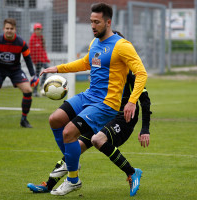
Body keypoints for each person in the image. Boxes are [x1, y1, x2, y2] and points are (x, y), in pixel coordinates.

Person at [37, 3, 148, 196]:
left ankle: (73, 180)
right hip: (88, 96)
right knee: (55, 119)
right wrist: (59, 68)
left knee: (69, 132)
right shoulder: (94, 43)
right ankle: (72, 162)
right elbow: (85, 62)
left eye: (97, 22)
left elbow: (141, 73)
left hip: (106, 103)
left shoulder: (122, 46)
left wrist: (131, 101)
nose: (93, 26)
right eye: (91, 22)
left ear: (108, 22)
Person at [27, 69, 151, 196]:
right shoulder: (103, 68)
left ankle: (131, 172)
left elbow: (145, 100)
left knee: (98, 140)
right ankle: (48, 185)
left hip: (123, 118)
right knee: (74, 146)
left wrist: (145, 129)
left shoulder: (130, 73)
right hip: (103, 113)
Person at [0, 18, 39, 128]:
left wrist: (33, 75)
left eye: (11, 28)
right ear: (3, 29)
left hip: (15, 70)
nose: (9, 30)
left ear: (15, 29)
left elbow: (28, 59)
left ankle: (24, 120)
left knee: (28, 90)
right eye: (7, 28)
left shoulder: (21, 43)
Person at [29, 23, 50, 97]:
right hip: (37, 61)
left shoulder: (41, 38)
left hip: (42, 60)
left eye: (39, 29)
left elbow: (43, 51)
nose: (38, 31)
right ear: (34, 30)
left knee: (44, 71)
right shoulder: (32, 39)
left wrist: (46, 59)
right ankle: (36, 90)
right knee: (37, 75)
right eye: (37, 29)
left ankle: (40, 86)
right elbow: (31, 52)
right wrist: (34, 61)